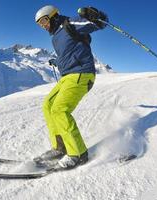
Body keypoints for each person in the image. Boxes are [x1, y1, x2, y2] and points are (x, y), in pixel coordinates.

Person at [34, 5, 108, 169]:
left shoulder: (69, 24)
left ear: (53, 16)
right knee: (48, 105)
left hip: (82, 74)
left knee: (60, 110)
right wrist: (57, 62)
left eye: (44, 20)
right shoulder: (55, 37)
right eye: (40, 24)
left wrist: (95, 16)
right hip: (67, 76)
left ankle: (78, 154)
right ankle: (60, 148)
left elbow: (97, 24)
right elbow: (69, 53)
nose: (43, 25)